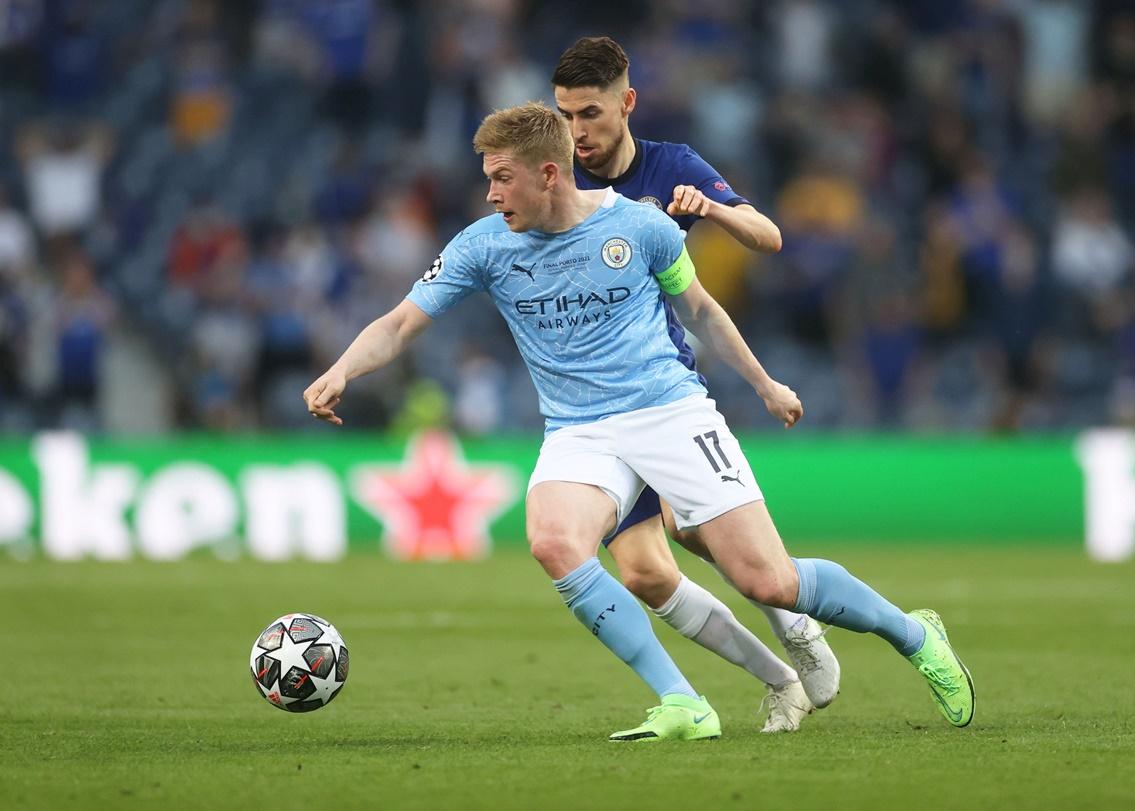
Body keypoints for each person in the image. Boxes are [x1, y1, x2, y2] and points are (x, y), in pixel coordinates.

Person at [304, 102, 975, 740]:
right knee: (556, 542)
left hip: (667, 412)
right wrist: (341, 369)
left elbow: (703, 311)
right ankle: (684, 701)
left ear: (547, 173)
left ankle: (914, 634)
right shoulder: (484, 246)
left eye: (501, 178)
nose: (490, 194)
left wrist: (766, 384)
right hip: (579, 430)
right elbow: (398, 323)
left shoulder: (641, 227)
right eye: (487, 180)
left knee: (770, 580)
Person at [551, 36, 837, 730]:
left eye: (589, 113)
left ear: (627, 104)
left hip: (659, 392)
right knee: (644, 575)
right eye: (563, 116)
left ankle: (796, 625)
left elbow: (767, 235)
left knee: (696, 526)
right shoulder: (552, 177)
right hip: (587, 407)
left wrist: (712, 210)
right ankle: (780, 680)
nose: (575, 132)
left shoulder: (671, 166)